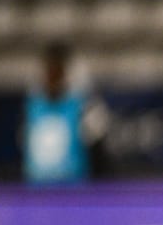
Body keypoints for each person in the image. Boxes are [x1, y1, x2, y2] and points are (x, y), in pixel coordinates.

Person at [22, 40, 110, 185]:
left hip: (73, 189)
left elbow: (99, 154)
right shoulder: (33, 107)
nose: (52, 78)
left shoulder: (83, 106)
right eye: (49, 71)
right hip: (38, 189)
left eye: (57, 72)